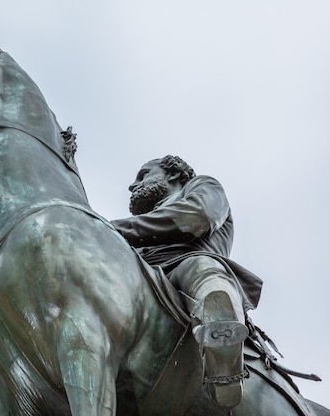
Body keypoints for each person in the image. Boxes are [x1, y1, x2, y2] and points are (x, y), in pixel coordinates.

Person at [111, 155, 263, 409]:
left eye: (144, 174)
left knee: (201, 267)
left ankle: (221, 334)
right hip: (142, 279)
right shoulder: (134, 230)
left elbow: (196, 218)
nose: (133, 185)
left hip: (182, 267)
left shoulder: (203, 186)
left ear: (173, 174)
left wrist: (111, 229)